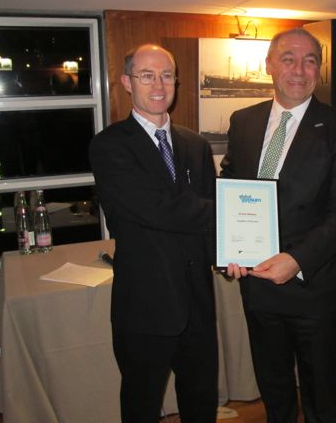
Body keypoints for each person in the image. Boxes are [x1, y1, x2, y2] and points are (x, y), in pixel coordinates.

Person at [221, 28, 336, 423]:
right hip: (257, 286)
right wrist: (227, 248)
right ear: (269, 65)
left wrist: (296, 260)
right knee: (275, 389)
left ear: (319, 69)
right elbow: (229, 186)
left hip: (313, 288)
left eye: (310, 60)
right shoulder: (244, 121)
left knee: (322, 398)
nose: (299, 70)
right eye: (288, 59)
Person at [89, 44, 218, 422]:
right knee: (141, 406)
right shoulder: (110, 145)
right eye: (147, 76)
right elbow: (157, 209)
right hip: (145, 304)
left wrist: (232, 252)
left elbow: (209, 222)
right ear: (127, 82)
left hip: (197, 302)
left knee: (201, 402)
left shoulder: (196, 144)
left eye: (167, 76)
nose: (159, 85)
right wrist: (233, 211)